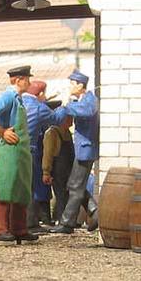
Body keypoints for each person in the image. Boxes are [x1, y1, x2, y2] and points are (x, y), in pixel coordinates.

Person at [0, 65, 39, 243]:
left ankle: (19, 228)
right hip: (10, 150)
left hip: (21, 151)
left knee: (21, 188)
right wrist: (2, 132)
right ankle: (0, 229)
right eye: (27, 79)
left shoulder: (19, 100)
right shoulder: (8, 96)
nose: (29, 83)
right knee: (6, 187)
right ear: (18, 80)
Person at [50, 70, 100, 234]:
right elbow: (60, 115)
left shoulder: (90, 100)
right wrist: (62, 107)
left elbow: (86, 112)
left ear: (80, 85)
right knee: (75, 184)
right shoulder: (80, 100)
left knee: (75, 186)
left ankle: (67, 223)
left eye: (72, 84)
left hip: (86, 148)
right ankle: (94, 211)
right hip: (82, 148)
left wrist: (67, 104)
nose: (70, 87)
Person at [22, 80, 60, 229]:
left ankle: (18, 223)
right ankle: (31, 222)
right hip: (31, 150)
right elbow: (56, 118)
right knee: (32, 187)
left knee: (20, 186)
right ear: (41, 93)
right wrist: (67, 106)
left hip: (14, 148)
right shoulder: (39, 107)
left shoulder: (19, 101)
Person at [41, 113, 74, 225]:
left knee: (68, 195)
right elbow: (48, 154)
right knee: (60, 195)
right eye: (69, 118)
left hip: (68, 167)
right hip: (58, 169)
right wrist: (46, 172)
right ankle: (61, 220)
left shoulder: (67, 133)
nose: (72, 120)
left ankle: (67, 219)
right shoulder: (52, 133)